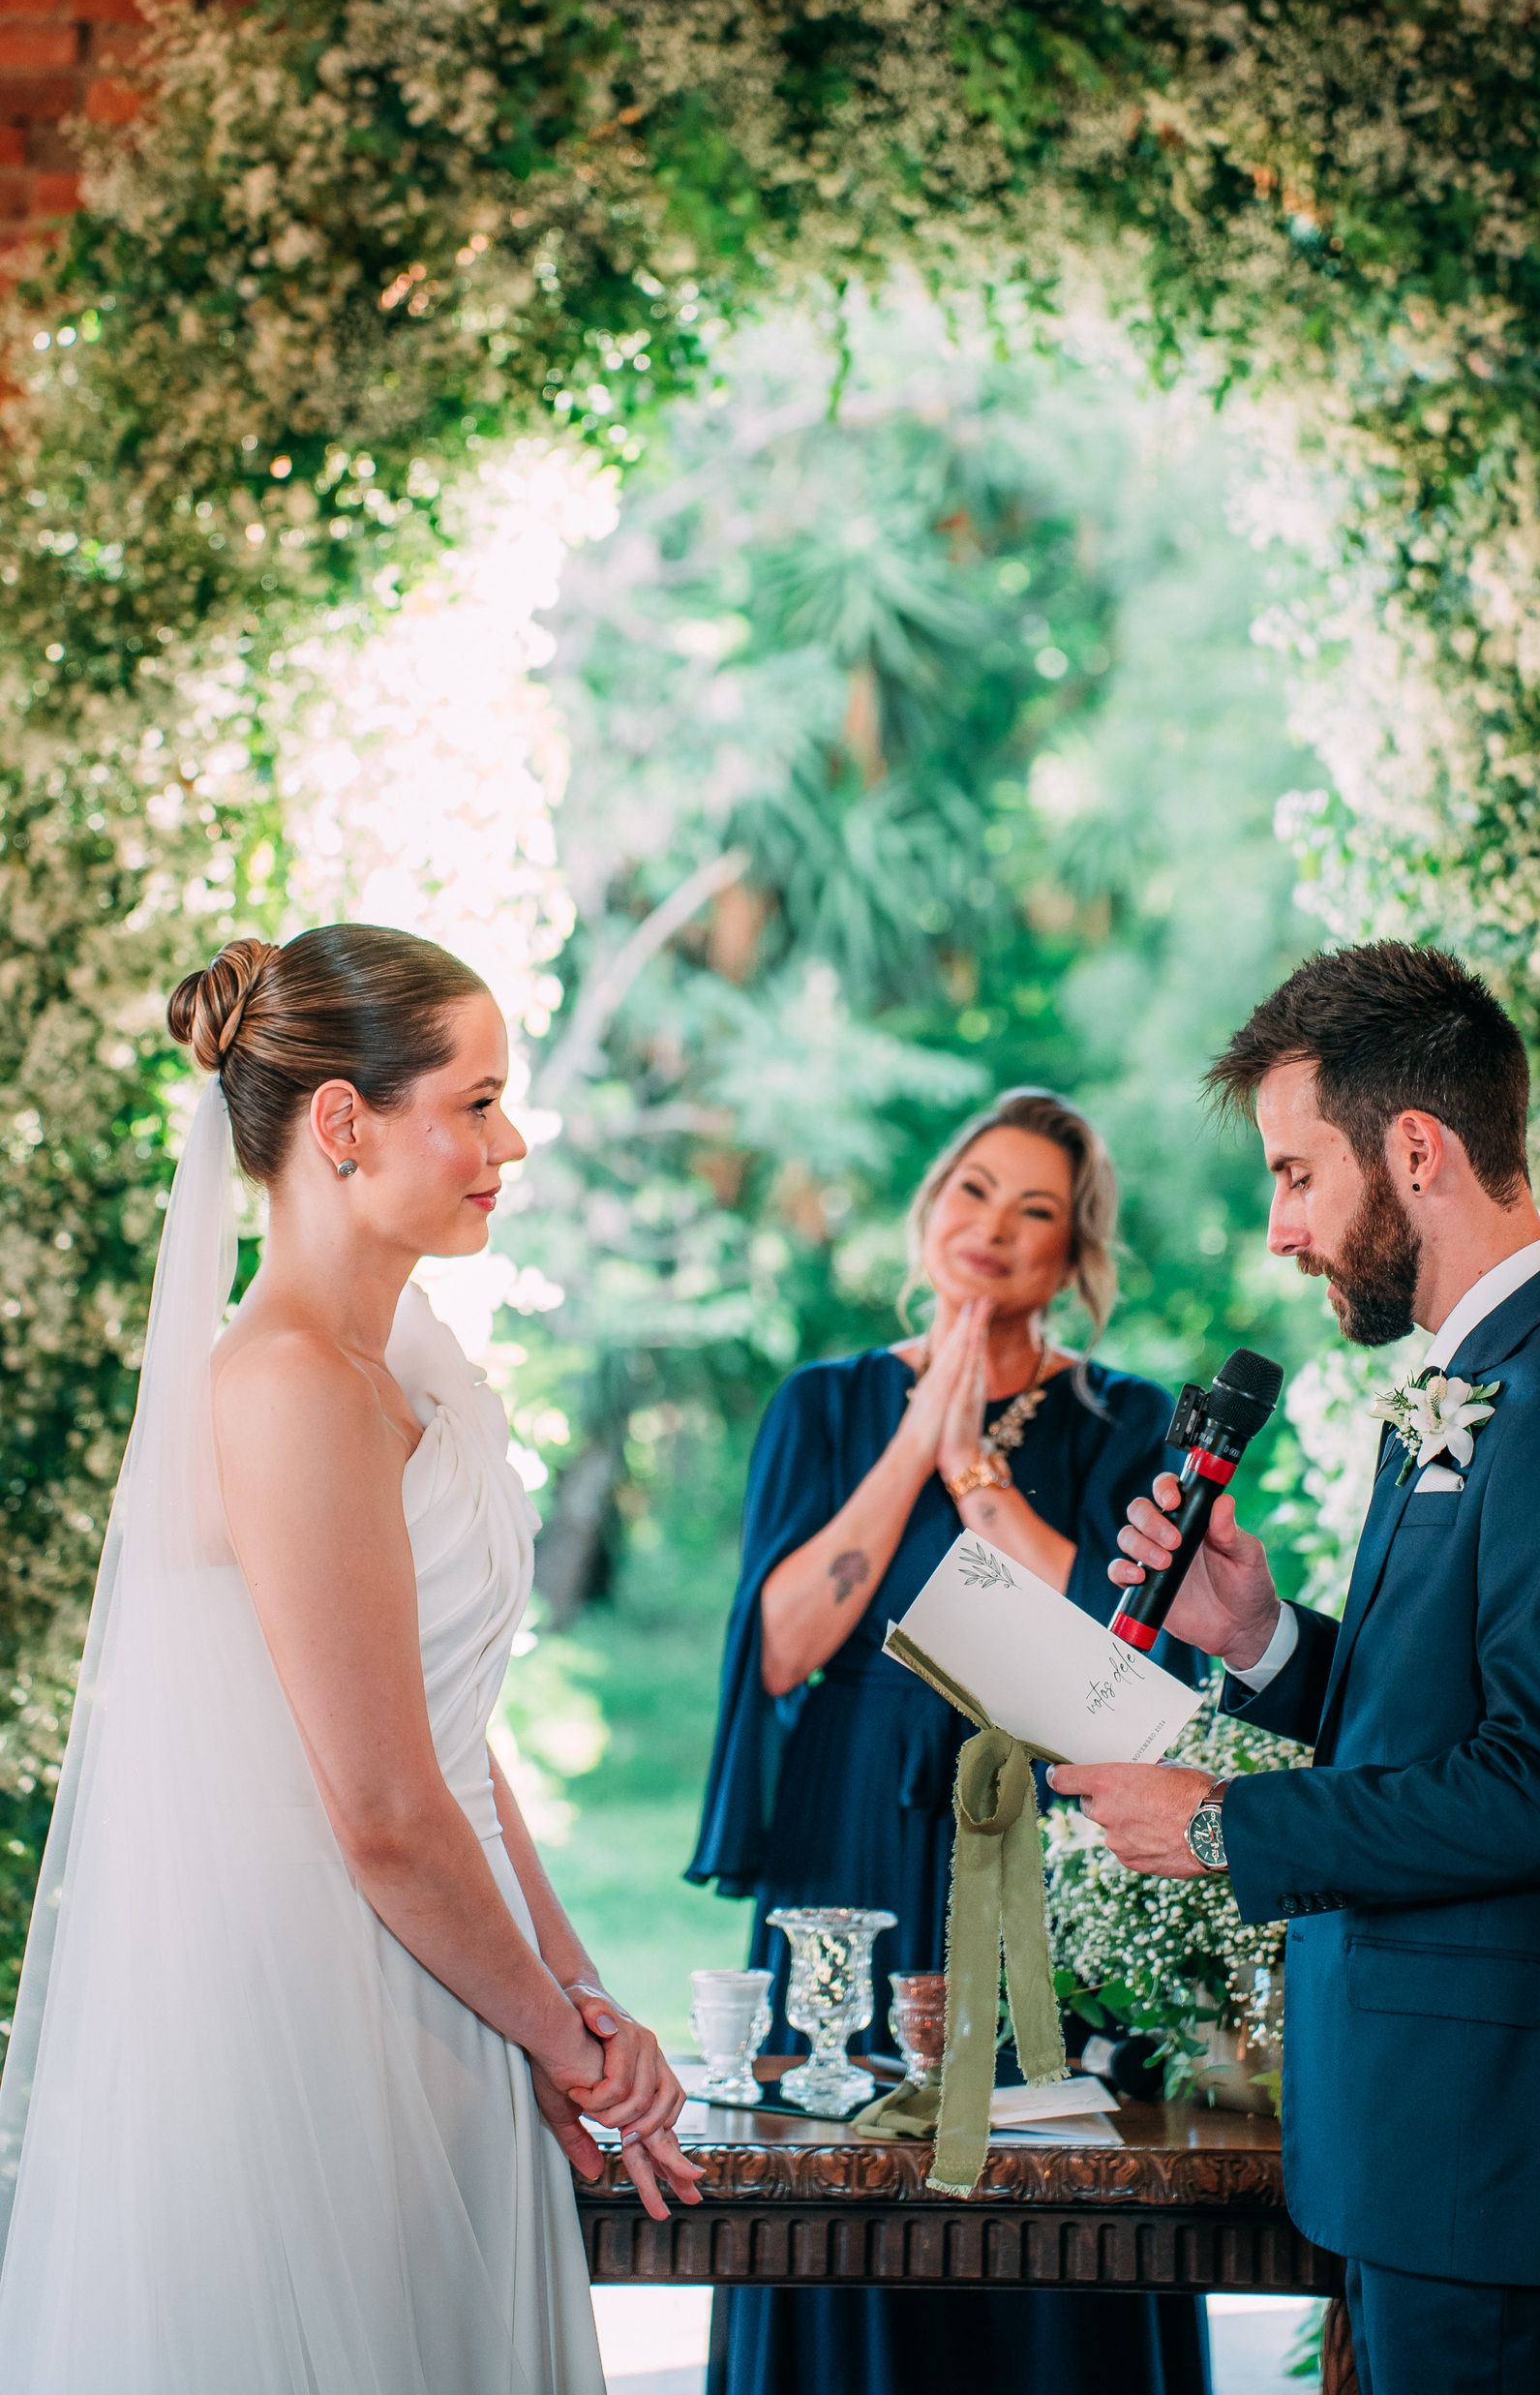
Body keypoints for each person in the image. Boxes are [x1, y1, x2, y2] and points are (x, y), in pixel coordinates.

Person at [0, 925, 702, 2393]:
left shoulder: (411, 1360)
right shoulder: (286, 1385)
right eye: (475, 1101)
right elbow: (383, 1811)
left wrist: (577, 2000)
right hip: (329, 2003)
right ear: (343, 1122)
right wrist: (570, 2056)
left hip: (455, 1979)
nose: (509, 1140)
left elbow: (454, 1728)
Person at [1051, 943, 1540, 2395]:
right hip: (1424, 2142)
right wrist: (1259, 1638)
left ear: (1415, 1151)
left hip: (1499, 2149)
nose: (1282, 1230)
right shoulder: (1479, 1389)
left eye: (1298, 1175)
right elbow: (1437, 1725)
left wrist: (1221, 1823)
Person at [690, 1086, 1208, 2395]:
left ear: (1076, 1254)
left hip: (1035, 1839)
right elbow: (784, 1645)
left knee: (1046, 2193)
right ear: (931, 1213)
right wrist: (917, 1435)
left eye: (1037, 1210)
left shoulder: (1128, 1422)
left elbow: (1118, 1645)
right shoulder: (821, 1405)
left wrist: (977, 1465)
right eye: (974, 1191)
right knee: (836, 2165)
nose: (994, 1227)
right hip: (848, 1833)